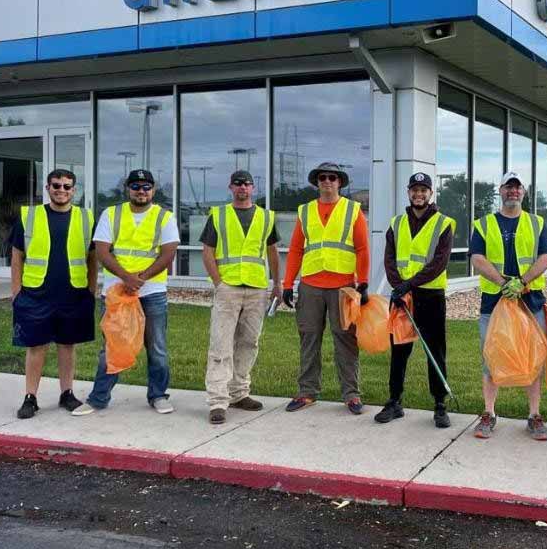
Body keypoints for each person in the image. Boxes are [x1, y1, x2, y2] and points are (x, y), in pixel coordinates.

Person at [73, 169, 180, 416]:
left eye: (146, 187)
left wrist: (140, 279)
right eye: (136, 186)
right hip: (116, 292)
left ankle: (158, 395)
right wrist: (126, 278)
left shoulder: (164, 217)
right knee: (112, 347)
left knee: (157, 348)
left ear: (153, 190)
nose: (141, 191)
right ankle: (98, 398)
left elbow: (168, 254)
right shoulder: (111, 214)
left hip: (152, 292)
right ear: (127, 189)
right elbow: (102, 251)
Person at [469, 172, 547, 441]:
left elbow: (546, 256)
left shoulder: (536, 222)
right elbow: (477, 258)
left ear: (524, 192)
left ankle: (534, 416)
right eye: (508, 187)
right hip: (494, 302)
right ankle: (489, 413)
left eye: (517, 187)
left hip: (530, 301)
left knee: (533, 359)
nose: (513, 192)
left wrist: (523, 281)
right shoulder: (484, 224)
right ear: (501, 190)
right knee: (491, 358)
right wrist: (503, 282)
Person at [282, 162, 370, 414]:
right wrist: (288, 283)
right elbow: (296, 249)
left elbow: (362, 249)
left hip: (343, 286)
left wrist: (363, 282)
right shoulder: (306, 211)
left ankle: (351, 395)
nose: (327, 181)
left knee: (345, 340)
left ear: (339, 182)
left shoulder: (352, 210)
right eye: (322, 178)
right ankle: (307, 392)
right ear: (317, 182)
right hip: (311, 285)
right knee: (309, 339)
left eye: (332, 177)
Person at [9, 169, 97, 419]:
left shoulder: (86, 217)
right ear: (47, 188)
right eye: (56, 185)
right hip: (35, 293)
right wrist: (16, 292)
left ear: (74, 190)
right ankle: (30, 397)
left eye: (67, 186)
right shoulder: (30, 215)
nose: (61, 190)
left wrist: (91, 290)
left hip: (73, 294)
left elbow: (93, 258)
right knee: (36, 346)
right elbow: (17, 256)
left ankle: (67, 393)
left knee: (67, 345)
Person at [200, 170, 282, 425]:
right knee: (221, 345)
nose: (242, 188)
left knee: (249, 342)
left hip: (256, 288)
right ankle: (218, 401)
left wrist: (277, 284)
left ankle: (239, 393)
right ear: (231, 187)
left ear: (253, 188)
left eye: (247, 184)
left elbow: (272, 252)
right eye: (238, 184)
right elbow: (207, 251)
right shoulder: (219, 215)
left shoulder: (266, 217)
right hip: (228, 288)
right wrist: (218, 282)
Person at [376, 172, 456, 428]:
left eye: (423, 190)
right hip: (402, 296)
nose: (418, 194)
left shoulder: (444, 223)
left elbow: (439, 263)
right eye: (414, 190)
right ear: (408, 192)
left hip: (430, 296)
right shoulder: (397, 223)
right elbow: (389, 259)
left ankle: (440, 405)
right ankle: (394, 402)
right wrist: (398, 287)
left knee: (435, 351)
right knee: (399, 351)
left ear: (431, 193)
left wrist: (407, 285)